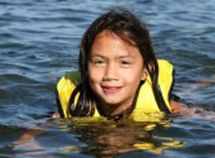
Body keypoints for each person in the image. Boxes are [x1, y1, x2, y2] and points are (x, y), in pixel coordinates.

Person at [53, 8, 191, 121]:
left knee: (189, 89)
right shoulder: (75, 107)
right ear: (85, 67)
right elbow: (34, 136)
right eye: (99, 62)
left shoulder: (170, 107)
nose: (110, 75)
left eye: (124, 63)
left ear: (145, 71)